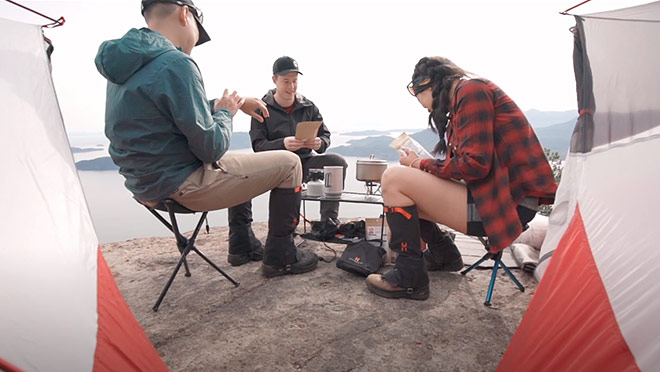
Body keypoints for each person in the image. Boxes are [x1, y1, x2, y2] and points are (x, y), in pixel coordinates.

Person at [94, 0, 318, 278]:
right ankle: (281, 257)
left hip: (146, 187)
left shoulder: (125, 65)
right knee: (289, 163)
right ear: (185, 14)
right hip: (183, 185)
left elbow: (169, 111)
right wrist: (226, 114)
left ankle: (242, 245)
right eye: (198, 36)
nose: (194, 44)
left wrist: (233, 103)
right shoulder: (177, 63)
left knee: (248, 163)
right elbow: (212, 148)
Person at [365, 56, 558, 300]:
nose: (423, 105)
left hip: (505, 208)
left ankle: (409, 277)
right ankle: (443, 254)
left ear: (429, 85)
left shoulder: (471, 91)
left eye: (419, 97)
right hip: (496, 200)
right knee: (408, 181)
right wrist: (422, 166)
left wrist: (419, 163)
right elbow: (472, 165)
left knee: (394, 178)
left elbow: (474, 165)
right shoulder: (466, 95)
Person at [238, 56, 347, 230]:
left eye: (295, 81)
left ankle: (329, 222)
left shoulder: (308, 106)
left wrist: (319, 143)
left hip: (303, 163)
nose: (291, 87)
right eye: (286, 81)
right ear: (275, 80)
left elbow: (325, 136)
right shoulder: (260, 107)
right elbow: (258, 146)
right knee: (242, 175)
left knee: (337, 163)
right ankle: (286, 231)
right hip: (275, 167)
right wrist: (283, 144)